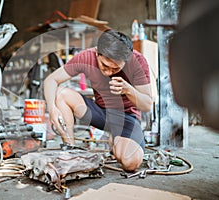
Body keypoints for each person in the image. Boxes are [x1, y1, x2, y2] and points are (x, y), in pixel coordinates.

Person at [43, 29, 153, 171]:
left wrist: (128, 89)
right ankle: (70, 149)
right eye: (105, 66)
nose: (108, 72)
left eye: (115, 69)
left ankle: (116, 138)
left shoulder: (137, 61)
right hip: (100, 113)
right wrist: (52, 109)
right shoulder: (87, 57)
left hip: (127, 118)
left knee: (130, 162)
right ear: (97, 52)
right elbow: (51, 80)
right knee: (61, 94)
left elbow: (147, 105)